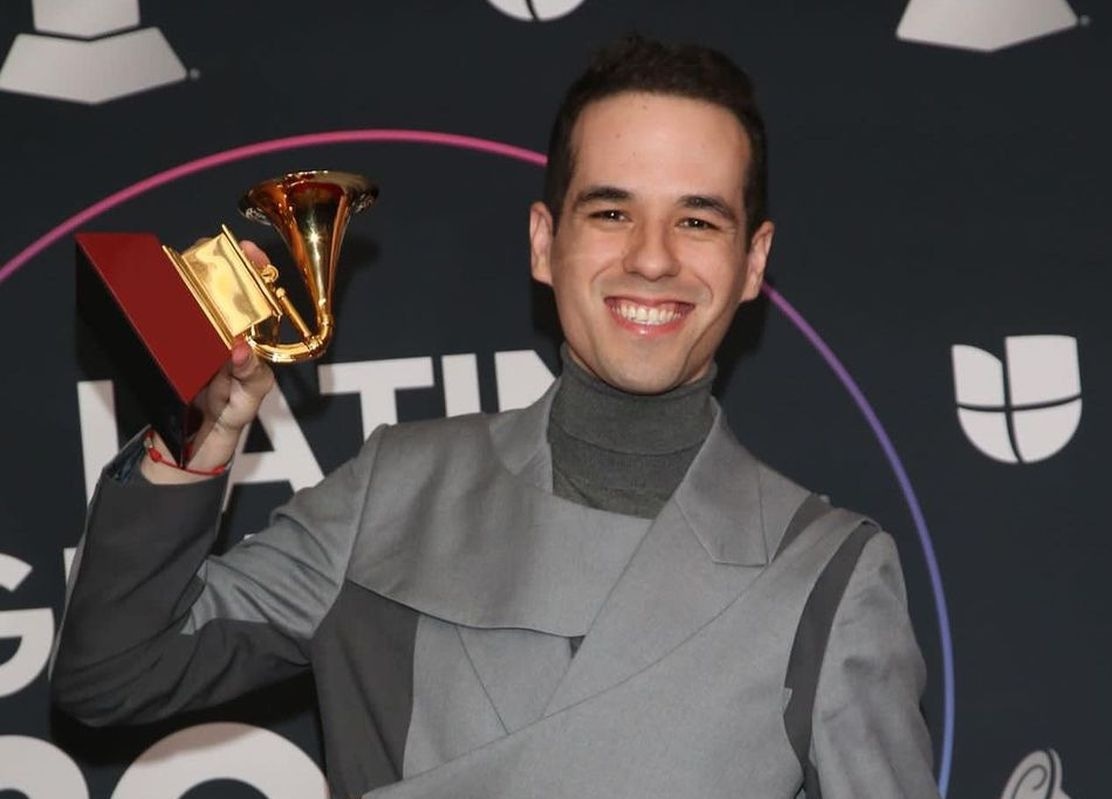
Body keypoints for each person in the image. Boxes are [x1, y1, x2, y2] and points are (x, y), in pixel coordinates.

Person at [51, 36, 940, 799]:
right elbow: (114, 673)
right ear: (545, 244)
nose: (653, 258)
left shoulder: (828, 574)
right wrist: (196, 436)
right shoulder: (392, 490)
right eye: (612, 210)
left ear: (754, 262)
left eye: (698, 220)